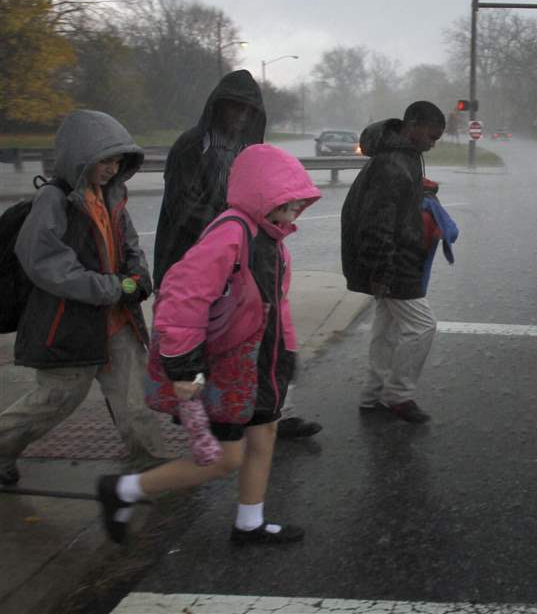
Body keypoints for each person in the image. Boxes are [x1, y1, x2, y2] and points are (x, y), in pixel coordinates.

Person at [96, 144, 321, 545]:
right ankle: (123, 490)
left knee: (264, 433)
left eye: (297, 206)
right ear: (261, 194)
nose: (292, 215)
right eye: (287, 205)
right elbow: (184, 298)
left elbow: (276, 303)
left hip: (259, 365)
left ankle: (249, 523)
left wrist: (286, 351)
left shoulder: (272, 239)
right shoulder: (232, 233)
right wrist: (182, 368)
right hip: (226, 367)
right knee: (222, 459)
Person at [0, 111, 169, 486]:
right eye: (104, 160)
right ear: (80, 157)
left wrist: (139, 276)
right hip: (68, 324)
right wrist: (108, 287)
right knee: (56, 399)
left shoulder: (112, 194)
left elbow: (128, 244)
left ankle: (153, 466)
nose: (111, 169)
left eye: (117, 161)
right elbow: (43, 262)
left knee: (133, 398)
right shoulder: (54, 199)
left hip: (117, 320)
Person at [153, 70, 320, 440]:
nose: (240, 117)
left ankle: (269, 415)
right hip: (197, 258)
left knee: (258, 340)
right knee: (209, 345)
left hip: (240, 258)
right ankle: (212, 423)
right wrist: (235, 228)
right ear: (217, 106)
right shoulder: (193, 146)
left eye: (248, 110)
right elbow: (184, 208)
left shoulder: (244, 150)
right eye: (233, 108)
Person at [341, 101, 446, 424]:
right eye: (432, 135)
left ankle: (373, 394)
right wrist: (381, 271)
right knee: (422, 325)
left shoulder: (401, 158)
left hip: (392, 256)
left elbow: (390, 212)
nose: (434, 143)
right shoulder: (393, 165)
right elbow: (377, 224)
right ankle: (398, 395)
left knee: (386, 328)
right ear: (412, 125)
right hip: (392, 259)